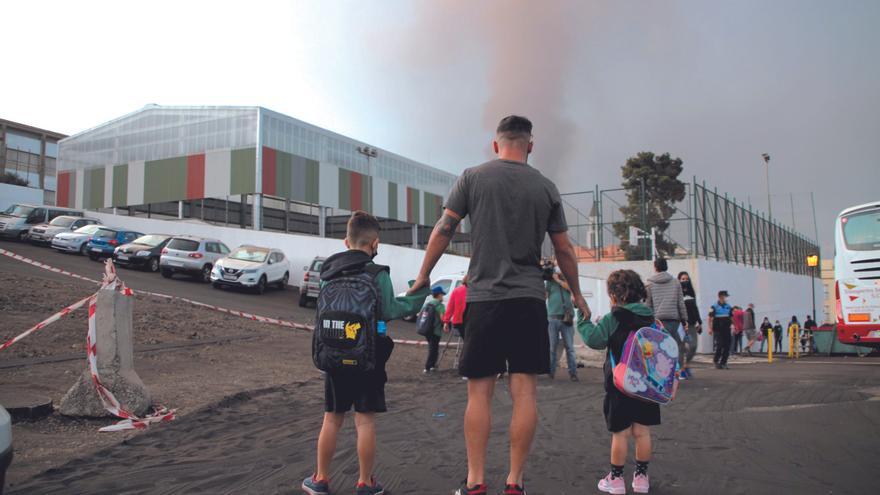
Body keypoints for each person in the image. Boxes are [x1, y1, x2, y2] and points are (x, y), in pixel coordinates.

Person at [409, 115, 589, 495]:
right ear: (530, 145)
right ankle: (515, 483)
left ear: (496, 144)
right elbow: (563, 249)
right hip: (528, 300)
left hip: (484, 300)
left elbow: (444, 228)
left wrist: (424, 273)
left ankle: (475, 482)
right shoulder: (546, 187)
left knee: (479, 392)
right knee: (525, 393)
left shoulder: (472, 177)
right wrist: (576, 293)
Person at [302, 211, 428, 495]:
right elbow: (392, 310)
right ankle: (365, 483)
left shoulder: (328, 274)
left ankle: (320, 479)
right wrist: (419, 293)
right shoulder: (377, 274)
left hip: (334, 356)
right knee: (365, 419)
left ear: (346, 241)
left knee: (332, 418)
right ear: (375, 243)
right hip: (367, 359)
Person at [577, 269, 658, 495]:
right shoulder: (649, 317)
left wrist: (582, 321)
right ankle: (641, 479)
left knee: (620, 433)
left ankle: (616, 479)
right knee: (642, 432)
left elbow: (595, 340)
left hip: (620, 385)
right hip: (646, 385)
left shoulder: (613, 318)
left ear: (614, 295)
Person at [645, 258, 688, 374]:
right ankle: (675, 373)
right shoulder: (675, 282)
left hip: (657, 321)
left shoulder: (649, 284)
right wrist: (684, 320)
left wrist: (648, 321)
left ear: (655, 267)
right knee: (674, 347)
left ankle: (660, 373)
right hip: (674, 321)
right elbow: (681, 303)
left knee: (658, 348)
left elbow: (648, 306)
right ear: (666, 267)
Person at [546, 266, 578, 381]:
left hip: (567, 318)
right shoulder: (549, 283)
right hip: (552, 318)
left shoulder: (568, 281)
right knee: (552, 347)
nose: (558, 273)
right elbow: (545, 296)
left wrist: (558, 280)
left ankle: (573, 373)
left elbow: (571, 289)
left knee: (569, 347)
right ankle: (551, 372)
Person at [677, 272, 702, 379]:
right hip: (680, 324)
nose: (684, 281)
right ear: (678, 280)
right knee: (681, 348)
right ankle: (681, 369)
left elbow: (695, 309)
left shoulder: (691, 293)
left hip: (691, 323)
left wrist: (699, 322)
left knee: (693, 346)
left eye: (686, 279)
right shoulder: (676, 292)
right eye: (682, 279)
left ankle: (686, 365)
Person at [422, 285, 447, 373]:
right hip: (436, 331)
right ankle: (428, 367)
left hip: (427, 330)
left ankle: (431, 365)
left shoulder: (427, 304)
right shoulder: (440, 306)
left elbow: (421, 315)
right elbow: (443, 319)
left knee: (433, 348)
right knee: (433, 349)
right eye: (442, 295)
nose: (443, 296)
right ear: (439, 295)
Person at [708, 291, 734, 369]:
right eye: (724, 296)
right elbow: (710, 318)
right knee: (720, 344)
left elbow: (731, 317)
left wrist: (733, 326)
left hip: (726, 327)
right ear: (720, 296)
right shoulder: (714, 306)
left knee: (727, 345)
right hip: (718, 327)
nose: (725, 298)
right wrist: (710, 328)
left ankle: (724, 362)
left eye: (726, 296)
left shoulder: (729, 306)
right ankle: (716, 360)